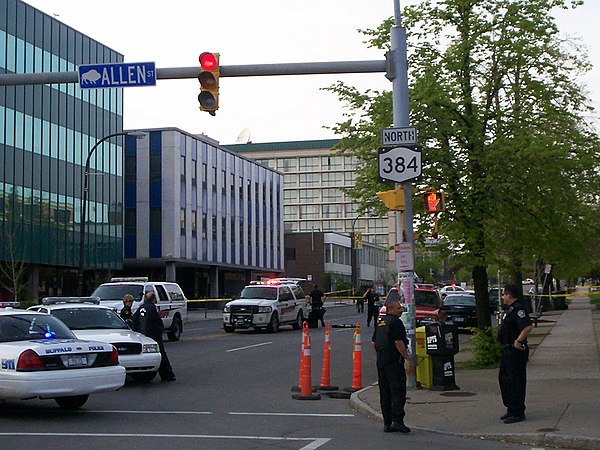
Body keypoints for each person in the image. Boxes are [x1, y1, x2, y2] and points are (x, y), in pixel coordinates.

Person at [371, 299, 414, 433]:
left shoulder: (381, 322)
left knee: (385, 392)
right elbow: (398, 342)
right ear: (390, 310)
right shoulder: (396, 322)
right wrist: (407, 358)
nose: (401, 310)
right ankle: (397, 421)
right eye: (398, 308)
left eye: (401, 308)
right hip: (394, 361)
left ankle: (387, 423)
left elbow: (373, 343)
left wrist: (379, 356)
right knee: (398, 390)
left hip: (382, 360)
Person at [498, 284, 533, 424]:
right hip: (507, 350)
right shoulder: (511, 310)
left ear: (509, 296)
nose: (502, 297)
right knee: (505, 379)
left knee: (515, 381)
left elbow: (528, 326)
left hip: (516, 351)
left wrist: (518, 340)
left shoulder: (519, 310)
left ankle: (518, 412)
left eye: (503, 294)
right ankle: (511, 408)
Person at [132, 291, 176, 382]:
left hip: (143, 336)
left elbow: (135, 321)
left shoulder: (141, 307)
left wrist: (138, 332)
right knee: (161, 354)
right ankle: (167, 374)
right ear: (153, 299)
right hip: (153, 335)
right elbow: (155, 322)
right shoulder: (152, 308)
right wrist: (159, 329)